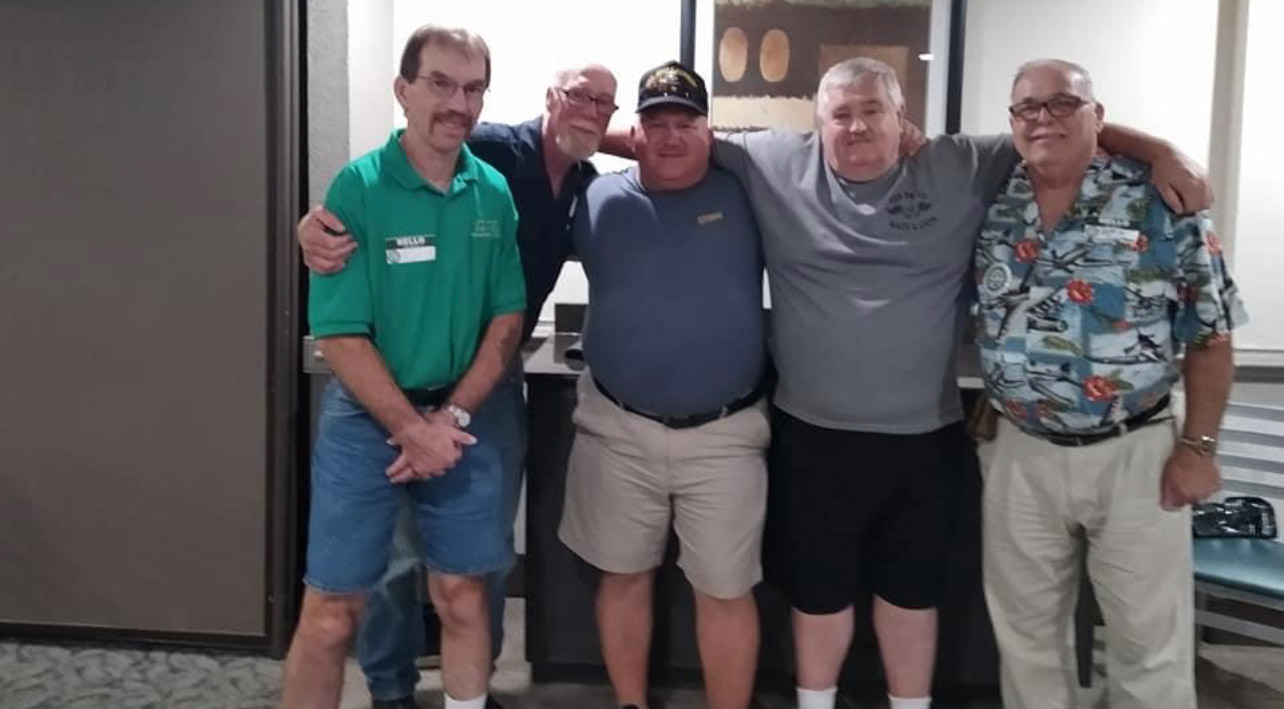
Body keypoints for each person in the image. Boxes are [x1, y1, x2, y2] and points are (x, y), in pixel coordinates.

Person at [685, 57, 1210, 709]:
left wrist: (1161, 150)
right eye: (840, 114)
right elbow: (675, 139)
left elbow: (1054, 125)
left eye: (872, 110)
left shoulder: (961, 163)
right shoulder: (772, 160)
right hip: (814, 436)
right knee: (827, 598)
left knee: (914, 597)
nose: (856, 126)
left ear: (901, 116)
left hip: (928, 439)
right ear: (816, 123)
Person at [298, 58, 617, 708]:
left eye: (605, 103)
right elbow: (396, 176)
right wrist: (316, 224)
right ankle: (390, 687)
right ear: (549, 96)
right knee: (392, 554)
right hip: (398, 376)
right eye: (580, 95)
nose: (591, 109)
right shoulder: (493, 146)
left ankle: (474, 685)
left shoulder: (585, 182)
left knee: (480, 559)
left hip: (491, 381)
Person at [975, 58, 1245, 709]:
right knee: (1027, 640)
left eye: (1063, 104)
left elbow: (1210, 334)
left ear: (1100, 116)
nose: (1043, 119)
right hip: (1022, 451)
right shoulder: (995, 193)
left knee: (1148, 645)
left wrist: (1199, 447)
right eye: (1027, 108)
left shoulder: (1159, 198)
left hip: (1136, 452)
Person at [280, 25, 526, 709]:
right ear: (403, 90)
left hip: (465, 413)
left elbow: (505, 320)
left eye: (473, 88)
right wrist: (410, 429)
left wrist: (449, 417)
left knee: (464, 597)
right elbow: (338, 331)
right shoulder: (357, 189)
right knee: (331, 612)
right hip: (367, 415)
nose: (459, 102)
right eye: (441, 83)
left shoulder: (493, 193)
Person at [556, 61, 768, 709]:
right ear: (635, 132)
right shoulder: (595, 201)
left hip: (725, 433)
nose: (671, 137)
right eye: (656, 123)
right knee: (622, 575)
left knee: (727, 589)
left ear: (711, 131)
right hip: (616, 424)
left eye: (686, 122)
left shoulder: (748, 194)